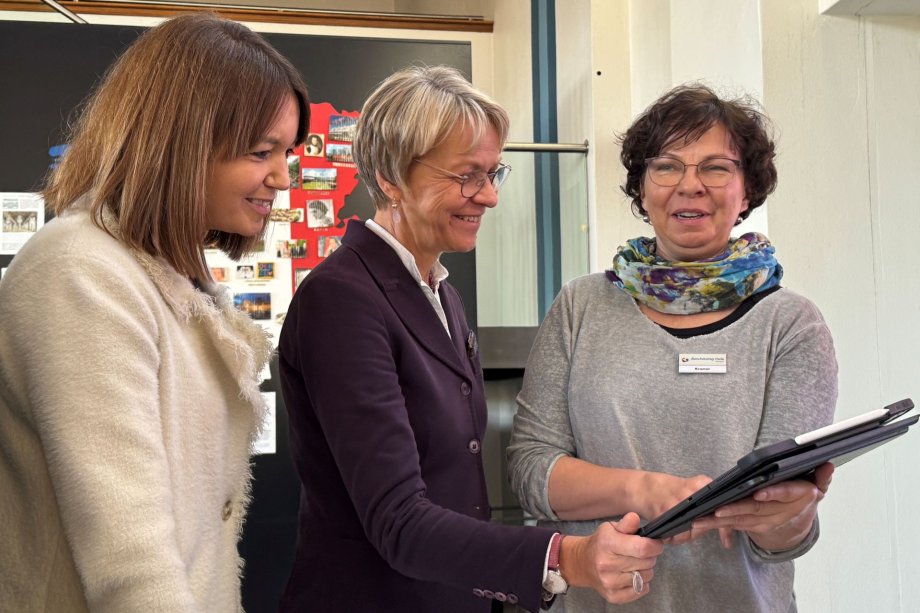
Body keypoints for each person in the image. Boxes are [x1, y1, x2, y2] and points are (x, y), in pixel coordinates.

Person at [279, 65, 663, 613]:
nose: (488, 197)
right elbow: (399, 521)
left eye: (492, 174)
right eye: (466, 176)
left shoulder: (443, 296)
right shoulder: (342, 298)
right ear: (390, 177)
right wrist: (567, 557)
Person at [0, 13, 309, 611]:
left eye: (287, 151)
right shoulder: (79, 272)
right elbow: (130, 562)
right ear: (182, 140)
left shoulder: (162, 270)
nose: (281, 175)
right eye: (260, 150)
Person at [508, 84, 839, 613]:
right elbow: (531, 472)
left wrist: (792, 513)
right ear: (641, 189)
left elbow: (781, 540)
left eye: (716, 168)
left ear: (747, 189)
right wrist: (645, 490)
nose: (690, 186)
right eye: (666, 166)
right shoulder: (581, 307)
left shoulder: (791, 324)